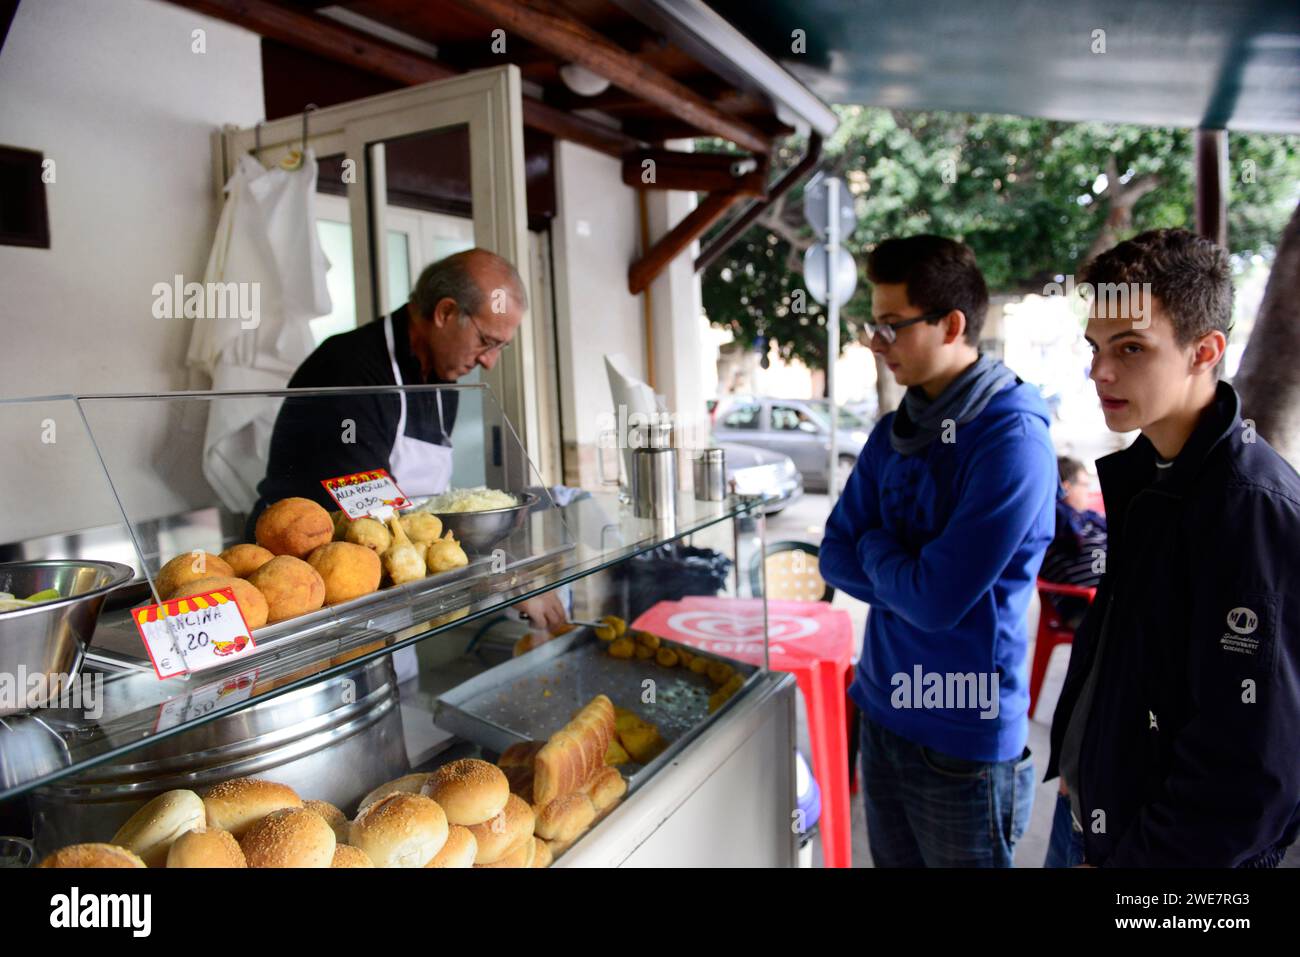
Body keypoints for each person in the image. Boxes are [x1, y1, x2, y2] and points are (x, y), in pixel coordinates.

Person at [1045, 228, 1300, 867]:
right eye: (1096, 346)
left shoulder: (1248, 507)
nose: (1100, 370)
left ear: (1203, 351)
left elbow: (1251, 773)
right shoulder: (1153, 474)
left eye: (1131, 347)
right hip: (1091, 821)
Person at [819, 235, 1057, 867]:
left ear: (952, 325)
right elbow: (833, 556)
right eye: (874, 324)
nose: (876, 342)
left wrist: (877, 547)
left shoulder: (1011, 440)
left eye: (893, 326)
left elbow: (935, 601)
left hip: (962, 744)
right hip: (881, 712)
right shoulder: (897, 428)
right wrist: (903, 568)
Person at [255, 247, 567, 630]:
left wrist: (507, 567)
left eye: (501, 347)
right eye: (487, 340)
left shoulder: (442, 379)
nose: (489, 361)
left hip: (397, 590)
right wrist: (503, 574)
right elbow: (369, 519)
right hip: (313, 599)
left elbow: (427, 511)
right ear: (445, 312)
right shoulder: (349, 368)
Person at [1039, 456, 1107, 629]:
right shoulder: (1056, 522)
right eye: (1084, 485)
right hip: (1084, 607)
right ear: (1066, 488)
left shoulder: (1089, 520)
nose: (1088, 491)